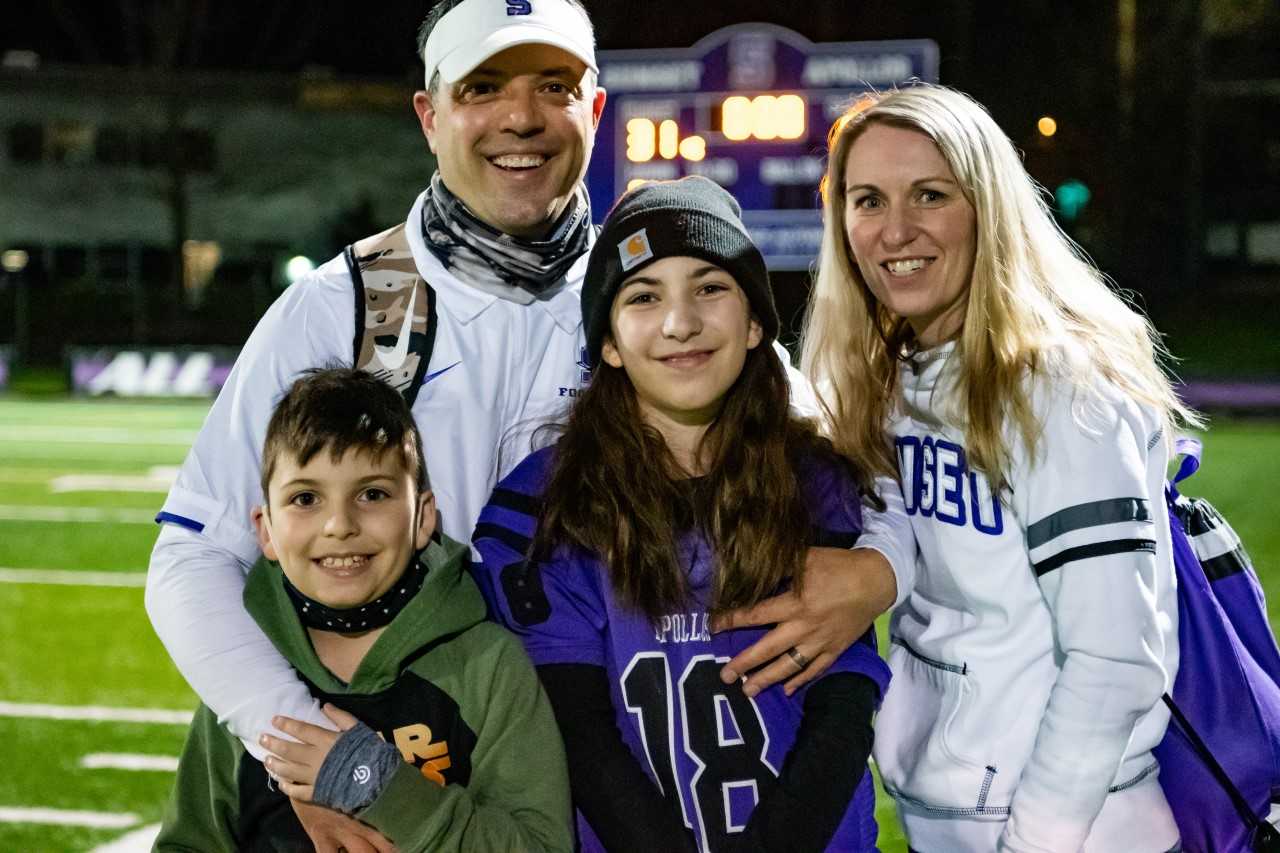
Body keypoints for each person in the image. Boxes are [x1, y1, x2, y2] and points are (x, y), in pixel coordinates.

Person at [146, 0, 910, 844]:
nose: (521, 117)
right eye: (483, 87)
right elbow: (192, 558)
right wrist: (306, 749)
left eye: (554, 85)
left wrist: (878, 571)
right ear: (429, 115)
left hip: (596, 787)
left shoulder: (649, 300)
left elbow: (850, 472)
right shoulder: (341, 306)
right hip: (401, 764)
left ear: (596, 108)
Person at [802, 82, 1201, 852]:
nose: (896, 230)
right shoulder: (893, 380)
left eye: (930, 194)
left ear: (988, 206)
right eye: (868, 200)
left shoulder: (1059, 389)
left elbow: (1115, 658)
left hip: (1078, 830)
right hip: (953, 819)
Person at [473, 176, 892, 853]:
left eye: (710, 287)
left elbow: (841, 712)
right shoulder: (545, 506)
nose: (680, 323)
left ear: (755, 323)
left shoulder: (817, 482)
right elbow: (577, 732)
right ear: (607, 341)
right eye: (644, 296)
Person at [154, 367, 572, 851]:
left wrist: (380, 785)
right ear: (265, 530)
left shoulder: (487, 666)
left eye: (372, 494)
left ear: (423, 517)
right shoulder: (247, 669)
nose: (339, 524)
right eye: (305, 498)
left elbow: (543, 846)